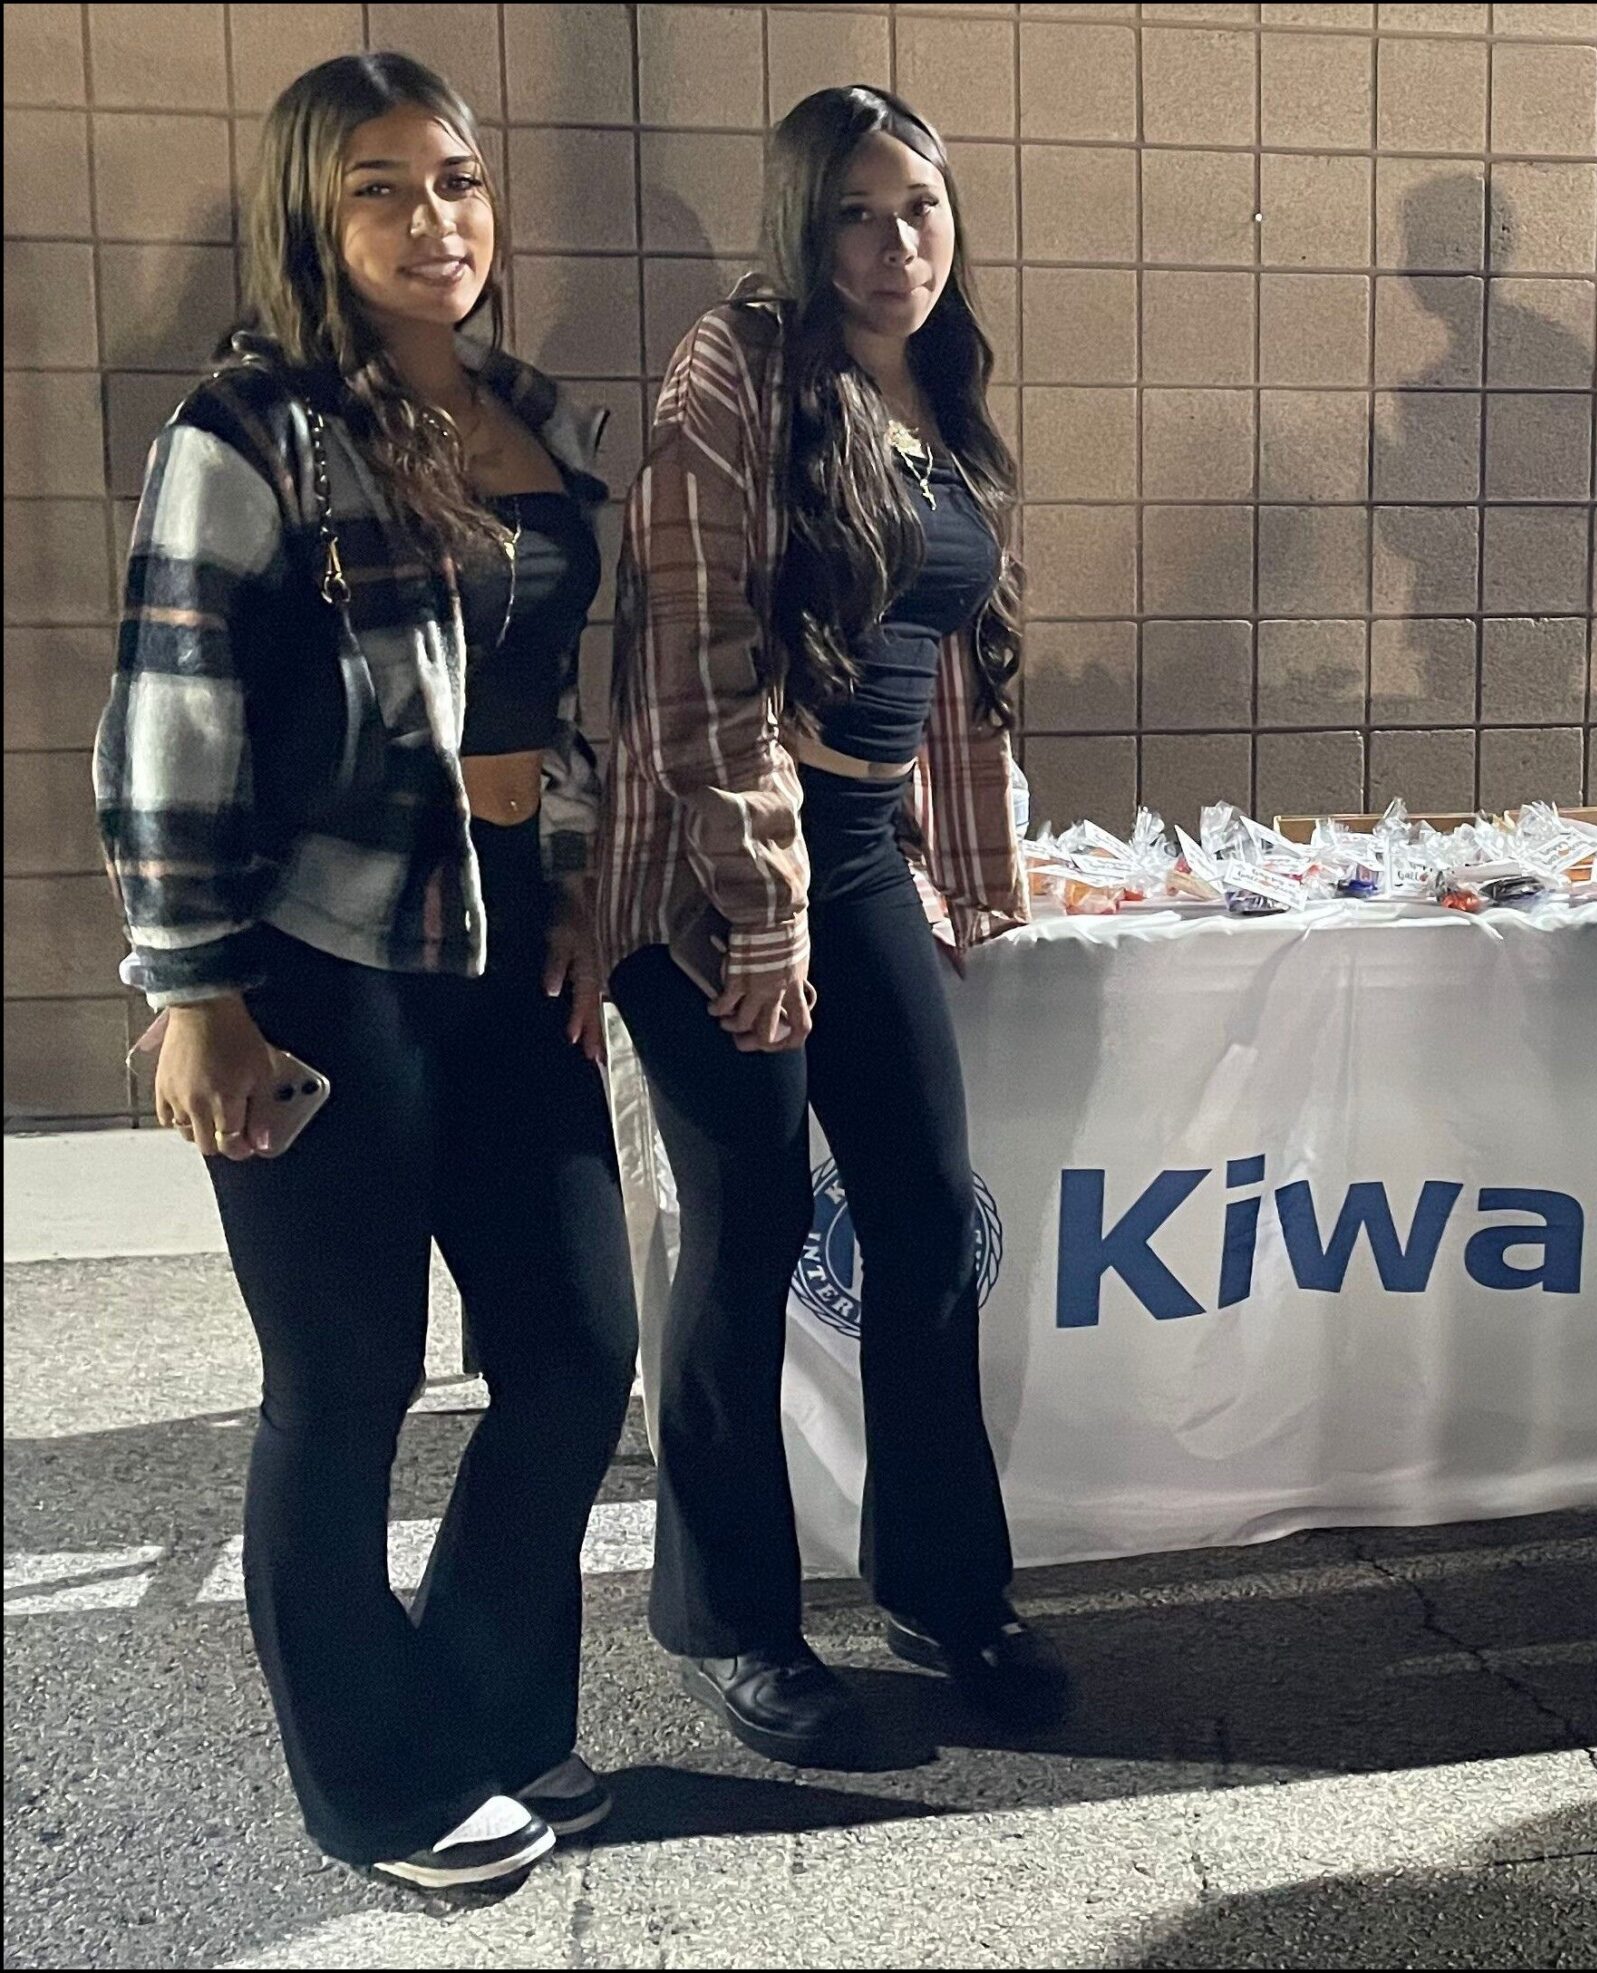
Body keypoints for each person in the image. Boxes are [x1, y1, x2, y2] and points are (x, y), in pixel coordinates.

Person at [92, 53, 637, 1884]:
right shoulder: (248, 435)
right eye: (382, 189)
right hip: (322, 960)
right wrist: (197, 991)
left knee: (575, 1348)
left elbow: (547, 699)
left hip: (505, 937)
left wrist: (572, 877)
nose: (435, 221)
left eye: (459, 181)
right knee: (344, 1385)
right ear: (311, 217)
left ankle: (484, 1714)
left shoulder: (538, 420)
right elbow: (169, 719)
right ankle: (376, 1787)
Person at [599, 84, 1068, 1763]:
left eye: (921, 209)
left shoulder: (939, 389)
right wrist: (762, 912)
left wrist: (969, 866)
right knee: (747, 1229)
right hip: (711, 857)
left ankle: (944, 1584)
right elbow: (695, 659)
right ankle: (733, 1619)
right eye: (858, 214)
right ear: (805, 224)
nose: (896, 245)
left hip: (859, 848)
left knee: (927, 1224)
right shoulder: (735, 366)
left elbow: (945, 672)